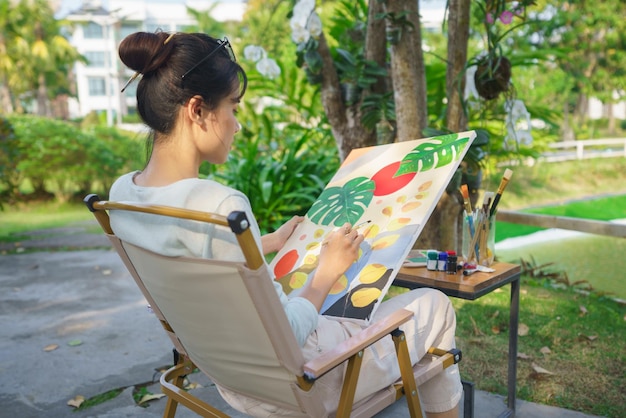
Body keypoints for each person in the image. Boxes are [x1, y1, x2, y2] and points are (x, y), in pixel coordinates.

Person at [111, 31, 462, 418]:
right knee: (435, 306)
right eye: (234, 107)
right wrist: (325, 274)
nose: (236, 125)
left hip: (229, 379)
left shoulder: (123, 195)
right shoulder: (220, 205)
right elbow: (291, 335)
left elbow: (196, 256)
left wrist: (272, 241)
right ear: (197, 109)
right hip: (307, 381)